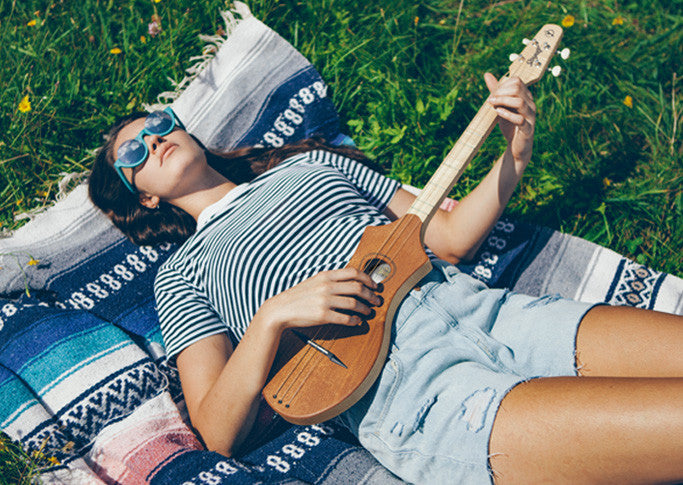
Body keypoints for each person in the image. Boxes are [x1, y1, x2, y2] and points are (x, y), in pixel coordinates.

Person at [89, 73, 683, 484]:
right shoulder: (183, 274)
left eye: (158, 124)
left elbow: (447, 237)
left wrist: (515, 154)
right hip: (415, 392)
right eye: (133, 154)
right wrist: (272, 318)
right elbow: (217, 431)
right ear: (140, 198)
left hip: (488, 311)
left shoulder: (312, 165)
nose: (153, 141)